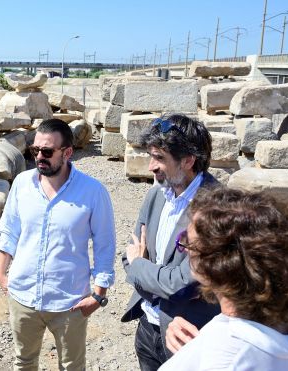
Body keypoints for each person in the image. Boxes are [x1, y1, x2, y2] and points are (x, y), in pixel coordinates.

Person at [0, 118, 116, 371]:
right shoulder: (21, 184)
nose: (39, 156)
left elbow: (105, 245)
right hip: (23, 296)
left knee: (71, 366)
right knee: (24, 361)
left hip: (69, 301)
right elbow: (9, 230)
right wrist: (1, 273)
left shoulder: (93, 192)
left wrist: (99, 294)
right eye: (35, 150)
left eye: (47, 151)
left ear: (67, 152)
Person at [160, 188, 288, 370]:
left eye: (188, 242)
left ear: (217, 265)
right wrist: (195, 350)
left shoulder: (228, 359)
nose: (184, 248)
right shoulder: (286, 328)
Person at [120, 114, 220, 371]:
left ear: (188, 160)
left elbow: (183, 285)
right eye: (151, 156)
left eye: (160, 158)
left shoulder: (216, 208)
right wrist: (142, 267)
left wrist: (141, 265)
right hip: (147, 327)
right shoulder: (156, 195)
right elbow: (127, 256)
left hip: (186, 336)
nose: (151, 166)